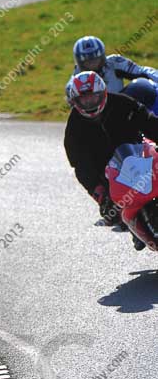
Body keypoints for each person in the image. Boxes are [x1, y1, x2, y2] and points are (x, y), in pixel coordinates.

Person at [65, 71, 158, 250]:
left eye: (93, 97)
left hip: (139, 155)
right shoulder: (74, 128)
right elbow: (80, 166)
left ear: (103, 93)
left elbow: (149, 121)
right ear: (75, 101)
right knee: (111, 213)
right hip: (108, 173)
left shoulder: (123, 103)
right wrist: (98, 193)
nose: (90, 102)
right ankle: (133, 226)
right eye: (84, 99)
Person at [66, 36, 158, 103]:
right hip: (95, 118)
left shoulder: (114, 62)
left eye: (95, 60)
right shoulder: (74, 82)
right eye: (88, 62)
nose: (92, 65)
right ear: (80, 63)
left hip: (121, 109)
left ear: (102, 57)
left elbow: (143, 71)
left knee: (139, 85)